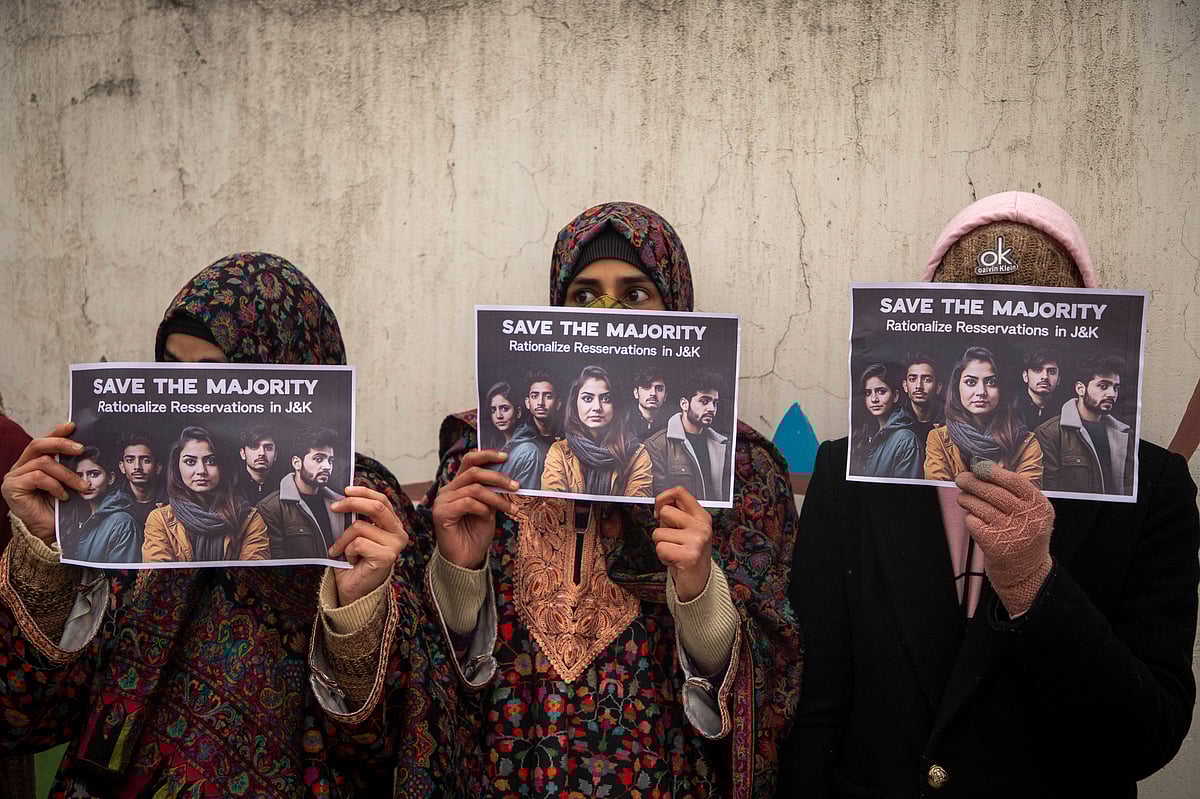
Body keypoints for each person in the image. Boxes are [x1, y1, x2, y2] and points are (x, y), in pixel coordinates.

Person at [335, 203, 799, 796]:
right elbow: (431, 672)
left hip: (662, 775)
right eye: (584, 295)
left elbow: (774, 678)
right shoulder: (487, 455)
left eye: (635, 295)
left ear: (676, 311)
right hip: (509, 768)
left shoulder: (737, 469)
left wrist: (699, 587)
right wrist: (458, 570)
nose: (607, 312)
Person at [0, 252, 469, 796]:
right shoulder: (136, 501)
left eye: (216, 373)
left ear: (289, 369)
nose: (191, 393)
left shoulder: (360, 507)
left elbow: (391, 740)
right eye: (172, 370)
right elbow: (24, 715)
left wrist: (357, 608)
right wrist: (47, 554)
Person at [785, 192, 1199, 797]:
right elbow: (815, 699)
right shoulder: (850, 473)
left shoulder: (1151, 490)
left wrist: (1035, 585)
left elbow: (1150, 734)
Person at [140, 425, 269, 563]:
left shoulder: (249, 519)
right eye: (190, 462)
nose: (201, 470)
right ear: (177, 467)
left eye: (211, 461)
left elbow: (254, 574)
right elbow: (158, 575)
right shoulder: (160, 520)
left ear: (222, 466)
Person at [925, 346, 1043, 486]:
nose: (981, 391)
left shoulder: (1026, 442)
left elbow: (1026, 496)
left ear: (1002, 389)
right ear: (957, 388)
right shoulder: (939, 439)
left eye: (991, 382)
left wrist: (967, 485)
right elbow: (939, 496)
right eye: (971, 382)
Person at [541, 365, 653, 498]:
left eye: (606, 399)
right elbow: (552, 506)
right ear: (574, 403)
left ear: (616, 405)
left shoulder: (637, 454)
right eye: (587, 399)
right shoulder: (559, 452)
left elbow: (637, 509)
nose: (597, 407)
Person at [1036, 354, 1135, 495]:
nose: (1112, 394)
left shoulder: (1123, 433)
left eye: (1115, 388)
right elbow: (1049, 492)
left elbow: (1130, 486)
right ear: (1080, 389)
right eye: (1103, 386)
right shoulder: (1049, 433)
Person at [256, 425, 348, 559]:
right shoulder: (270, 508)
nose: (327, 466)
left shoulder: (340, 503)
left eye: (330, 460)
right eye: (318, 459)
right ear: (297, 463)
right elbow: (275, 564)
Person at [643, 368, 733, 499]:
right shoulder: (657, 445)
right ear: (684, 404)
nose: (712, 408)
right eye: (704, 401)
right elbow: (659, 499)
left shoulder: (723, 444)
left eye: (715, 403)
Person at [60, 445, 139, 563]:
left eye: (94, 474)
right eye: (79, 476)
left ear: (110, 478)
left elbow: (120, 573)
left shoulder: (122, 523)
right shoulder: (77, 518)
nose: (86, 482)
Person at [848, 362, 922, 479]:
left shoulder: (906, 440)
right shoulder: (866, 434)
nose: (874, 399)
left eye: (881, 391)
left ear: (895, 396)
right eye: (868, 393)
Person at [496, 369, 560, 489]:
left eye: (548, 396)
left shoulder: (567, 438)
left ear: (558, 403)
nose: (540, 402)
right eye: (534, 396)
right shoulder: (520, 440)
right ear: (527, 403)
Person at [115, 430, 166, 531]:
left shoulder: (171, 503)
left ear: (158, 467)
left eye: (145, 460)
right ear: (122, 467)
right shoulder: (114, 504)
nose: (137, 467)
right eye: (130, 460)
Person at [899, 351, 944, 459]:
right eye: (912, 379)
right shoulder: (896, 422)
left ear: (938, 387)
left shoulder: (950, 422)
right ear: (905, 386)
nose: (919, 386)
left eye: (927, 380)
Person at [1018, 345, 1064, 432]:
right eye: (1037, 370)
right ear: (1025, 376)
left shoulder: (1066, 412)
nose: (1045, 376)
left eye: (1052, 372)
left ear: (1059, 379)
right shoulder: (1011, 410)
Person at [234, 423, 279, 506]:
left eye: (268, 448)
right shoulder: (232, 486)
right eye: (254, 447)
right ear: (243, 453)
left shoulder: (283, 486)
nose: (262, 453)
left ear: (275, 455)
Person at [627, 366, 669, 441]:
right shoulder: (624, 422)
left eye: (659, 389)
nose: (653, 393)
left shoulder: (670, 425)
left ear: (665, 396)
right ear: (636, 393)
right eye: (646, 387)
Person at [480, 380, 521, 451]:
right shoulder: (496, 445)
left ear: (518, 412)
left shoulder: (526, 449)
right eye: (493, 410)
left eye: (505, 409)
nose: (498, 416)